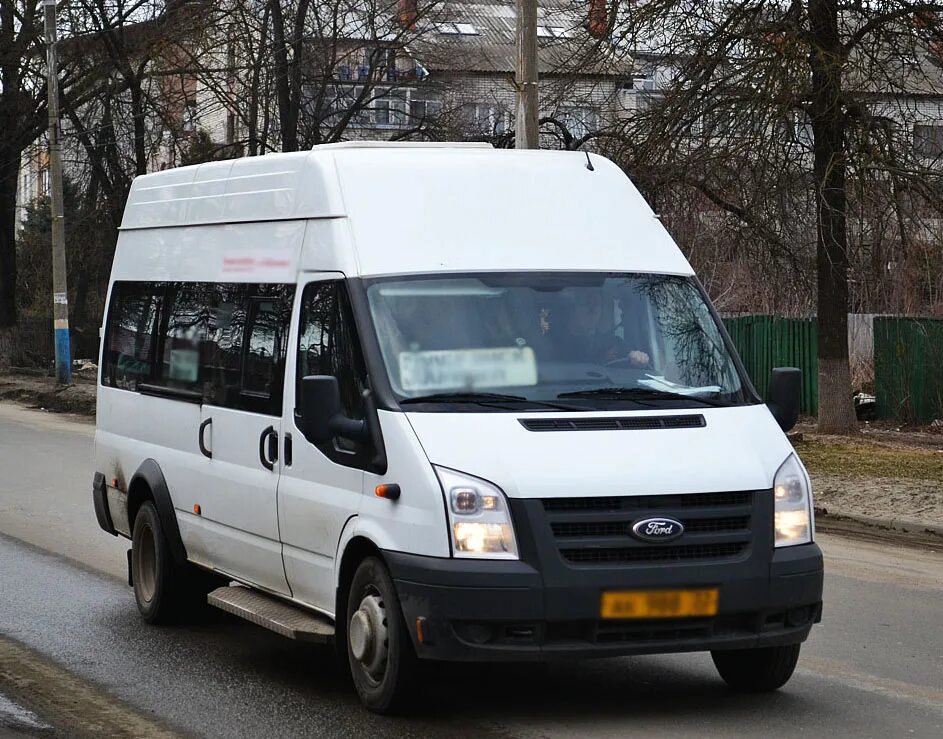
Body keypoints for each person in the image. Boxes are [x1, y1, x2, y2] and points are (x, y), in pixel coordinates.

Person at [560, 290, 650, 367]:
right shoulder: (553, 344)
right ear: (572, 309)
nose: (593, 309)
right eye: (587, 303)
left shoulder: (614, 343)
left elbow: (633, 359)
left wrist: (639, 358)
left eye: (596, 304)